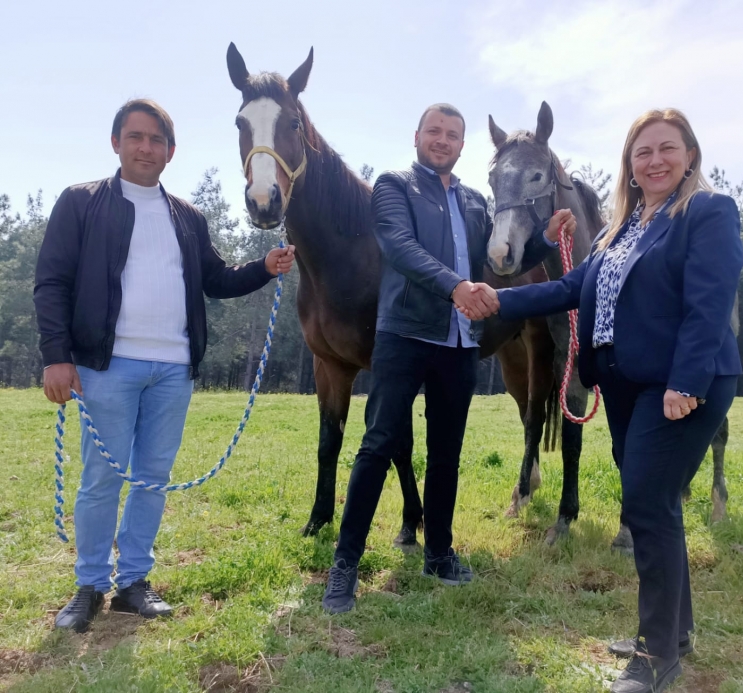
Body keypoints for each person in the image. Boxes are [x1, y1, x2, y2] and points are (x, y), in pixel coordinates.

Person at [463, 109, 743, 693]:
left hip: (677, 387)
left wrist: (686, 383)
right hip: (623, 383)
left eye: (668, 148)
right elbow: (570, 287)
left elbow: (710, 304)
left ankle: (656, 656)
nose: (655, 160)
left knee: (645, 506)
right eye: (643, 152)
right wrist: (499, 298)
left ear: (690, 154)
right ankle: (674, 632)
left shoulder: (708, 213)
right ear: (630, 166)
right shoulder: (624, 226)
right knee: (655, 504)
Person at [34, 98, 296, 634]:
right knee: (101, 481)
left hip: (172, 370)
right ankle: (88, 587)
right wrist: (56, 357)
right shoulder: (80, 203)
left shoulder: (187, 216)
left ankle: (133, 583)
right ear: (116, 143)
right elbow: (52, 283)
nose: (145, 147)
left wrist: (263, 268)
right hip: (106, 368)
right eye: (135, 137)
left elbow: (215, 279)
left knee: (152, 480)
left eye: (156, 140)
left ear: (170, 152)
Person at [321, 103, 554, 614]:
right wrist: (455, 287)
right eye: (434, 131)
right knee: (378, 445)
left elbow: (494, 261)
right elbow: (400, 248)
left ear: (463, 145)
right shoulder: (393, 186)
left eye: (452, 134)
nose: (442, 140)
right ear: (417, 136)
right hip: (405, 334)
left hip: (460, 343)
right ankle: (346, 565)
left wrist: (541, 242)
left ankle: (439, 553)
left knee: (447, 452)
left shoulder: (474, 201)